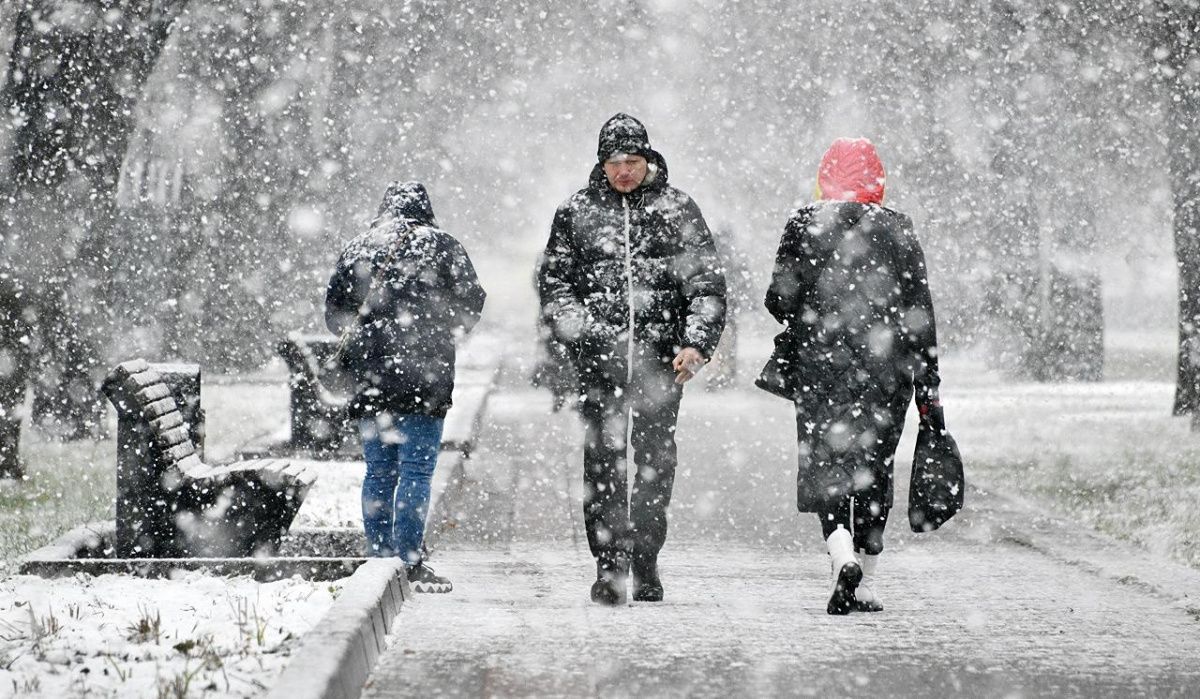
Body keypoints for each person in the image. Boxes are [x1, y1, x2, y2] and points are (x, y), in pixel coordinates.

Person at [538, 113, 726, 604]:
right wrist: (579, 330)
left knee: (653, 466)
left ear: (648, 160)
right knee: (602, 465)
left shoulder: (678, 210)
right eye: (615, 162)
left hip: (662, 368)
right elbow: (555, 285)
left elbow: (705, 285)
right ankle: (608, 565)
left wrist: (696, 344)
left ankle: (645, 559)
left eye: (632, 161)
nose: (623, 171)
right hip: (598, 366)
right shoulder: (575, 212)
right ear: (602, 164)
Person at [764, 138, 943, 615]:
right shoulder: (898, 227)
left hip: (821, 369)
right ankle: (868, 582)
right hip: (886, 373)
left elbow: (778, 299)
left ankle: (841, 552)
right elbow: (919, 311)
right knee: (873, 470)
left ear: (825, 177)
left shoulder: (805, 223)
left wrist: (814, 307)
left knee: (828, 469)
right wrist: (929, 385)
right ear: (877, 179)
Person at [325, 181, 486, 593]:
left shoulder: (359, 247)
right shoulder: (444, 245)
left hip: (371, 381)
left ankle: (380, 557)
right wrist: (441, 331)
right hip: (425, 378)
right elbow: (472, 302)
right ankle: (410, 559)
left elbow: (334, 315)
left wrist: (368, 340)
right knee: (416, 470)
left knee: (379, 471)